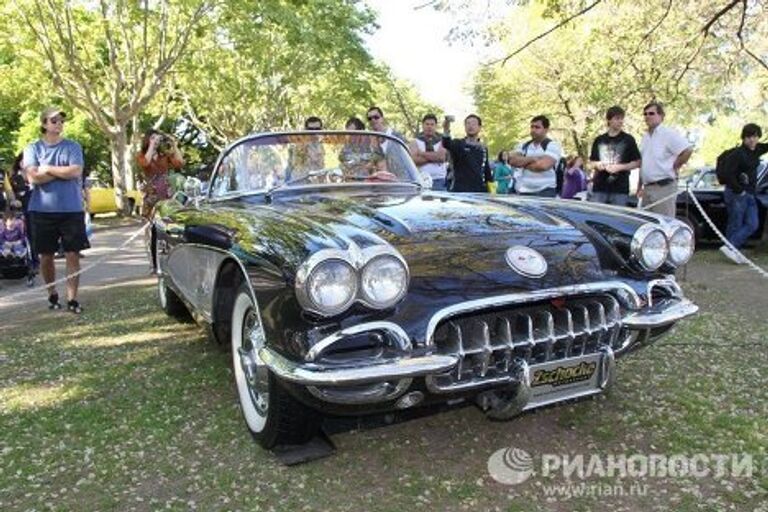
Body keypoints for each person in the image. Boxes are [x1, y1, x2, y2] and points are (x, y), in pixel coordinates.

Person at [22, 107, 87, 313]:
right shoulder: (33, 148)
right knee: (46, 256)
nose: (58, 124)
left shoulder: (73, 146)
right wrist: (62, 172)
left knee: (72, 254)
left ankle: (72, 299)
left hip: (71, 208)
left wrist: (47, 169)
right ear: (44, 124)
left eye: (61, 121)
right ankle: (52, 294)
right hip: (42, 210)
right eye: (53, 120)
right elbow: (32, 177)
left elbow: (76, 171)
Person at [719, 123, 768, 264]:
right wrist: (739, 190)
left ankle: (730, 246)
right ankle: (733, 250)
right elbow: (728, 174)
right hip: (736, 193)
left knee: (753, 224)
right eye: (749, 137)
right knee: (736, 223)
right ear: (744, 138)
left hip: (751, 193)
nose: (752, 140)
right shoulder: (737, 154)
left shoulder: (757, 149)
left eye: (755, 136)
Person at [638, 101, 692, 216]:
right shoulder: (645, 137)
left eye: (651, 113)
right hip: (647, 188)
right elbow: (644, 163)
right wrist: (639, 186)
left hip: (664, 187)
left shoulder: (668, 134)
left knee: (664, 224)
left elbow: (687, 150)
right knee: (647, 226)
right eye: (645, 114)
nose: (647, 116)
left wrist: (676, 164)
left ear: (661, 116)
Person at [588, 106, 641, 206]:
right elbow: (591, 162)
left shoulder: (628, 140)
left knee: (616, 220)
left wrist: (621, 167)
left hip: (620, 189)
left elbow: (637, 162)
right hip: (600, 188)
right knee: (596, 218)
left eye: (622, 118)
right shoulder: (599, 140)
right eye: (617, 118)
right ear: (609, 120)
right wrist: (598, 164)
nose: (620, 121)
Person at [508, 115, 563, 197]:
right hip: (524, 191)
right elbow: (512, 161)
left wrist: (523, 163)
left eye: (537, 127)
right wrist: (533, 159)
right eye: (532, 127)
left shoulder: (552, 145)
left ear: (546, 129)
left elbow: (542, 166)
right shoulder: (524, 145)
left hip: (545, 192)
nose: (533, 130)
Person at [137, 129, 184, 218]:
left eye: (157, 139)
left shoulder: (164, 155)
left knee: (167, 217)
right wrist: (151, 145)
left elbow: (179, 163)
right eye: (152, 138)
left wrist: (174, 145)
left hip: (165, 191)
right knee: (149, 219)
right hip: (150, 193)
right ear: (147, 139)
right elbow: (146, 163)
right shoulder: (141, 155)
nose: (155, 141)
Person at [441, 114, 494, 193]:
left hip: (479, 192)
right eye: (468, 123)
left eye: (473, 124)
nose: (470, 126)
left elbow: (487, 171)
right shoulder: (458, 144)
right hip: (460, 192)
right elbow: (446, 142)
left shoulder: (483, 148)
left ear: (479, 127)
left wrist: (492, 190)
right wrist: (446, 125)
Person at [409, 114, 448, 190]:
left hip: (439, 179)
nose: (429, 127)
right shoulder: (415, 141)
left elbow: (441, 158)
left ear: (435, 126)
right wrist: (435, 157)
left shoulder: (442, 141)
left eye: (432, 124)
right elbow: (413, 160)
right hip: (421, 180)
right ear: (423, 125)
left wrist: (421, 153)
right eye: (427, 124)